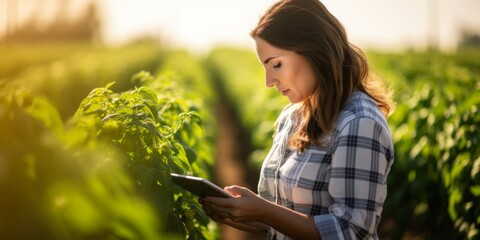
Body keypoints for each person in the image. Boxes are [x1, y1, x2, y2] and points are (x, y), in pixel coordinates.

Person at [200, 0, 395, 239]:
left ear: (314, 50)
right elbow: (285, 221)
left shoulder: (360, 123)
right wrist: (236, 214)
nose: (269, 81)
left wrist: (265, 211)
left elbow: (350, 231)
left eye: (276, 65)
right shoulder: (292, 117)